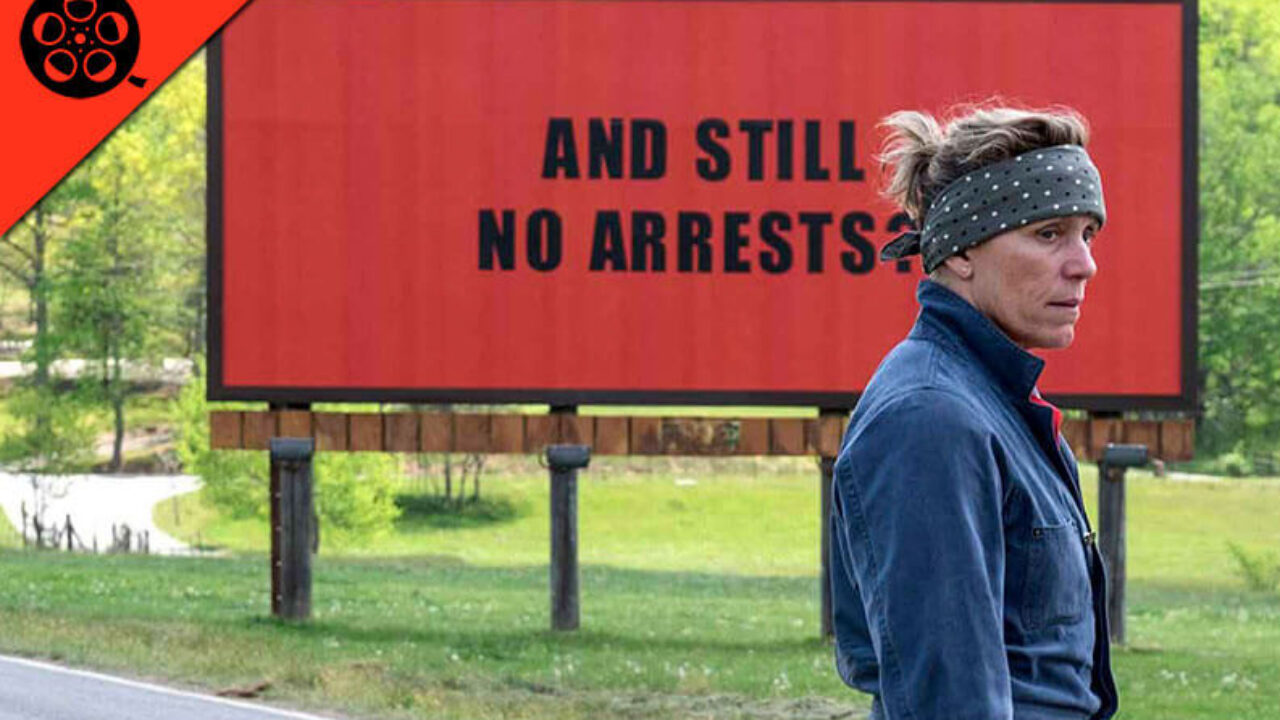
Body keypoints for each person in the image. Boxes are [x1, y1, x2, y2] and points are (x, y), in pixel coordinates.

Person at [829, 104, 1118, 720]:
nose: (1084, 264)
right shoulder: (930, 419)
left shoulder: (993, 406)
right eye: (1048, 233)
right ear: (962, 252)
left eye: (1087, 234)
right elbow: (948, 700)